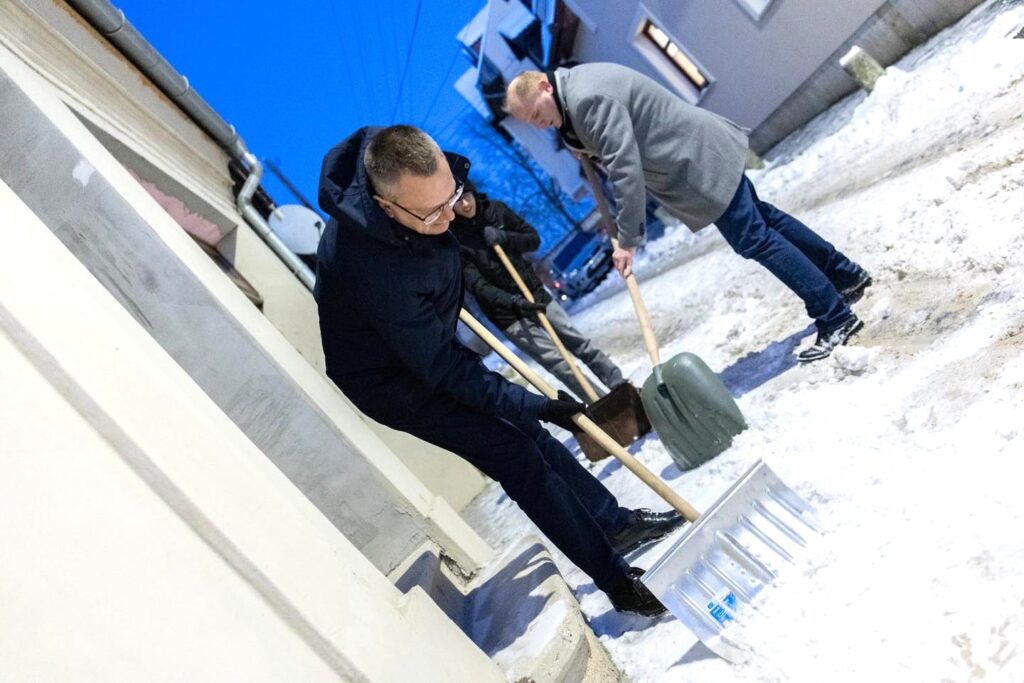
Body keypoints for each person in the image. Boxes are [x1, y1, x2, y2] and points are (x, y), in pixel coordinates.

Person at [315, 124, 686, 616]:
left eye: (451, 198)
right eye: (432, 213)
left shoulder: (415, 178)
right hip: (391, 382)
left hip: (423, 343)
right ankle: (617, 582)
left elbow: (451, 242)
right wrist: (540, 404)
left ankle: (612, 524)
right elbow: (444, 371)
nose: (449, 217)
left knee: (528, 429)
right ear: (386, 207)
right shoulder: (371, 268)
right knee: (514, 452)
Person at [504, 65, 873, 362]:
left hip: (696, 163)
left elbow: (625, 169)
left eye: (536, 114)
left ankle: (835, 315)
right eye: (530, 122)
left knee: (754, 238)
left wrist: (628, 239)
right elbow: (606, 133)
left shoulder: (586, 99)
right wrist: (581, 143)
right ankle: (843, 275)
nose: (538, 124)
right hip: (700, 152)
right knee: (765, 222)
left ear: (545, 87)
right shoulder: (577, 90)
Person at [450, 180, 624, 401]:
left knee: (580, 344)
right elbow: (479, 288)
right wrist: (515, 303)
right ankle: (604, 404)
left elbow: (532, 239)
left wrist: (505, 238)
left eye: (466, 196)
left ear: (473, 192)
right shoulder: (457, 242)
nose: (465, 204)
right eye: (457, 202)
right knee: (561, 366)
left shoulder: (497, 211)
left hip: (536, 295)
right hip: (509, 316)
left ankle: (620, 386)